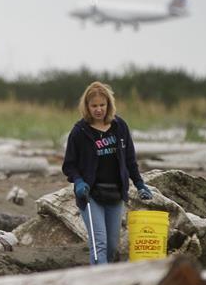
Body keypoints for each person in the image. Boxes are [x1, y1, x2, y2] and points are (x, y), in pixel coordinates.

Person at [61, 81, 154, 265]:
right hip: (90, 196)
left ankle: (107, 277)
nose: (98, 109)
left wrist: (140, 184)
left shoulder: (120, 127)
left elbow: (130, 161)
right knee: (99, 244)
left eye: (102, 105)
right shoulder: (79, 132)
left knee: (112, 246)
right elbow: (69, 165)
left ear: (108, 105)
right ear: (87, 107)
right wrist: (78, 182)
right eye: (94, 105)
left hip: (115, 195)